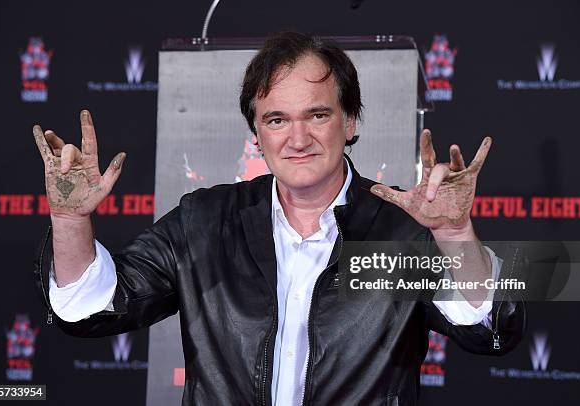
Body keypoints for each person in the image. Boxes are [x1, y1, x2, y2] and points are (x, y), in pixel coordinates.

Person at [33, 32, 525, 405]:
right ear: (256, 133)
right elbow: (89, 309)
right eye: (276, 119)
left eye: (317, 115)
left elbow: (491, 328)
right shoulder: (203, 221)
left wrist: (455, 233)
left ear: (350, 122)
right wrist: (71, 219)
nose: (297, 138)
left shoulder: (402, 229)